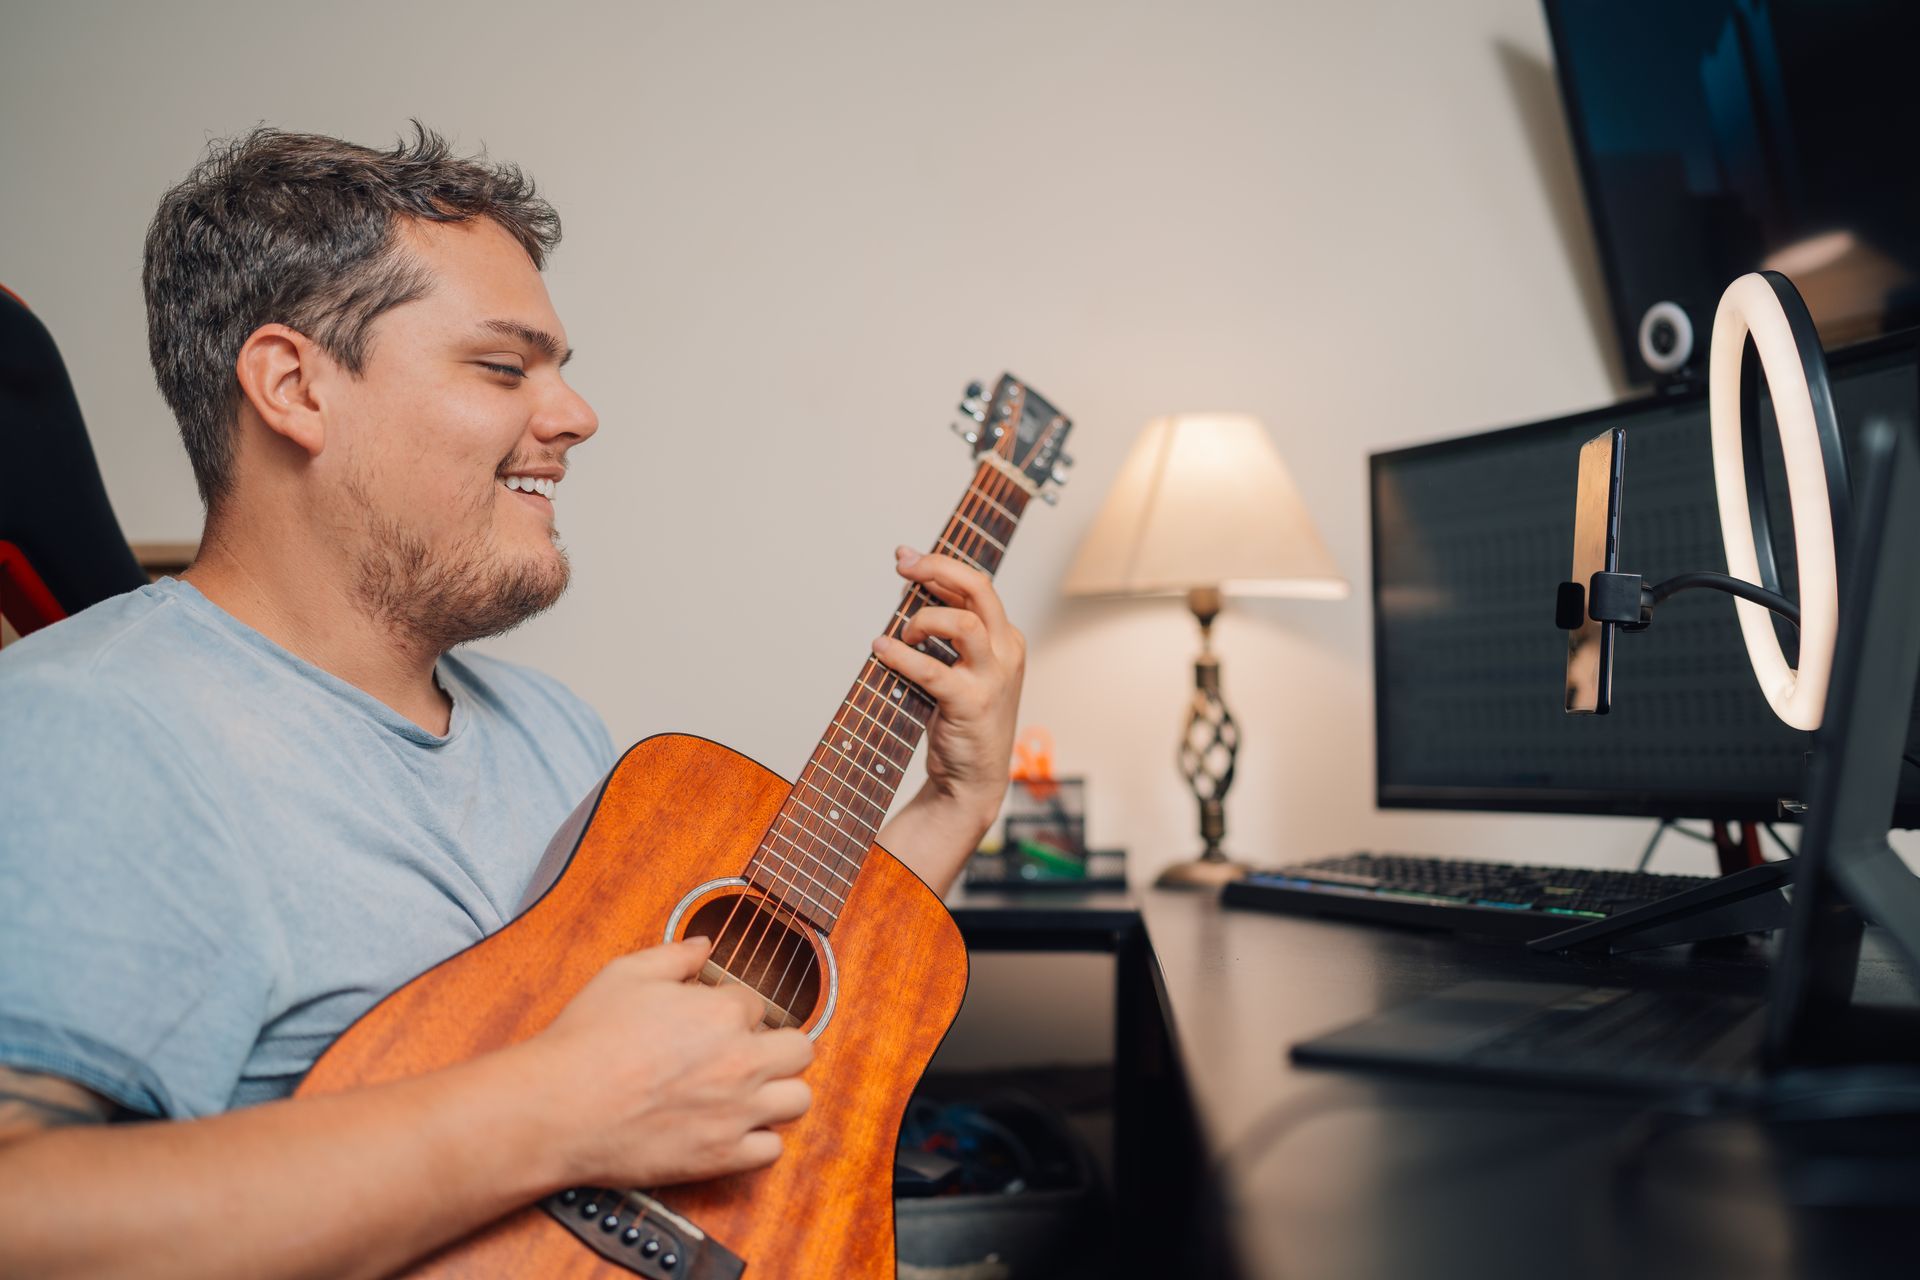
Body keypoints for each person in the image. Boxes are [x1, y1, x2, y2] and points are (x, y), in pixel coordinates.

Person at [0, 125, 1026, 1278]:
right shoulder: (91, 729)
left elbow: (713, 1065)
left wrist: (947, 802)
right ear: (294, 386)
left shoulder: (552, 731)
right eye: (504, 366)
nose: (576, 414)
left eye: (560, 366)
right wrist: (551, 1103)